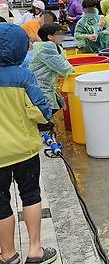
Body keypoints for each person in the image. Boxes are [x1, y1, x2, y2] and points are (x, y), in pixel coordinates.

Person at [0, 23, 58, 264]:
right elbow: (41, 112)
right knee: (30, 195)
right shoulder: (23, 76)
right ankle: (35, 250)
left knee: (1, 203)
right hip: (24, 149)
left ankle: (8, 254)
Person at [29, 23, 74, 112]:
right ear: (50, 36)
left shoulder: (55, 47)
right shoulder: (47, 47)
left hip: (48, 86)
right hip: (42, 87)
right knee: (49, 114)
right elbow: (64, 67)